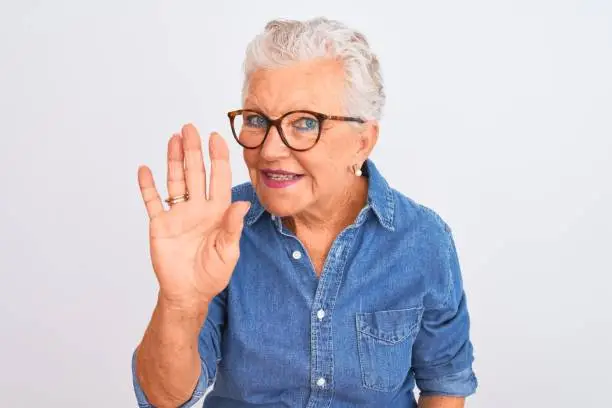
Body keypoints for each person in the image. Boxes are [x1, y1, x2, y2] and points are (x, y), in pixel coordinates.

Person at [132, 17, 478, 408]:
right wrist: (180, 304)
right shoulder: (222, 229)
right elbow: (164, 398)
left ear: (362, 141)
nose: (270, 151)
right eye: (257, 120)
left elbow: (444, 382)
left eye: (305, 124)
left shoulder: (423, 240)